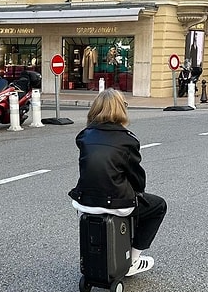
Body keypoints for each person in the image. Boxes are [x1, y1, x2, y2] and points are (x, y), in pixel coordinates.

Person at [68, 88, 167, 276]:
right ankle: (133, 260)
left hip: (84, 202)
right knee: (158, 206)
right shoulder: (127, 139)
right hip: (115, 203)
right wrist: (138, 193)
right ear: (121, 109)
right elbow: (137, 178)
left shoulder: (84, 136)